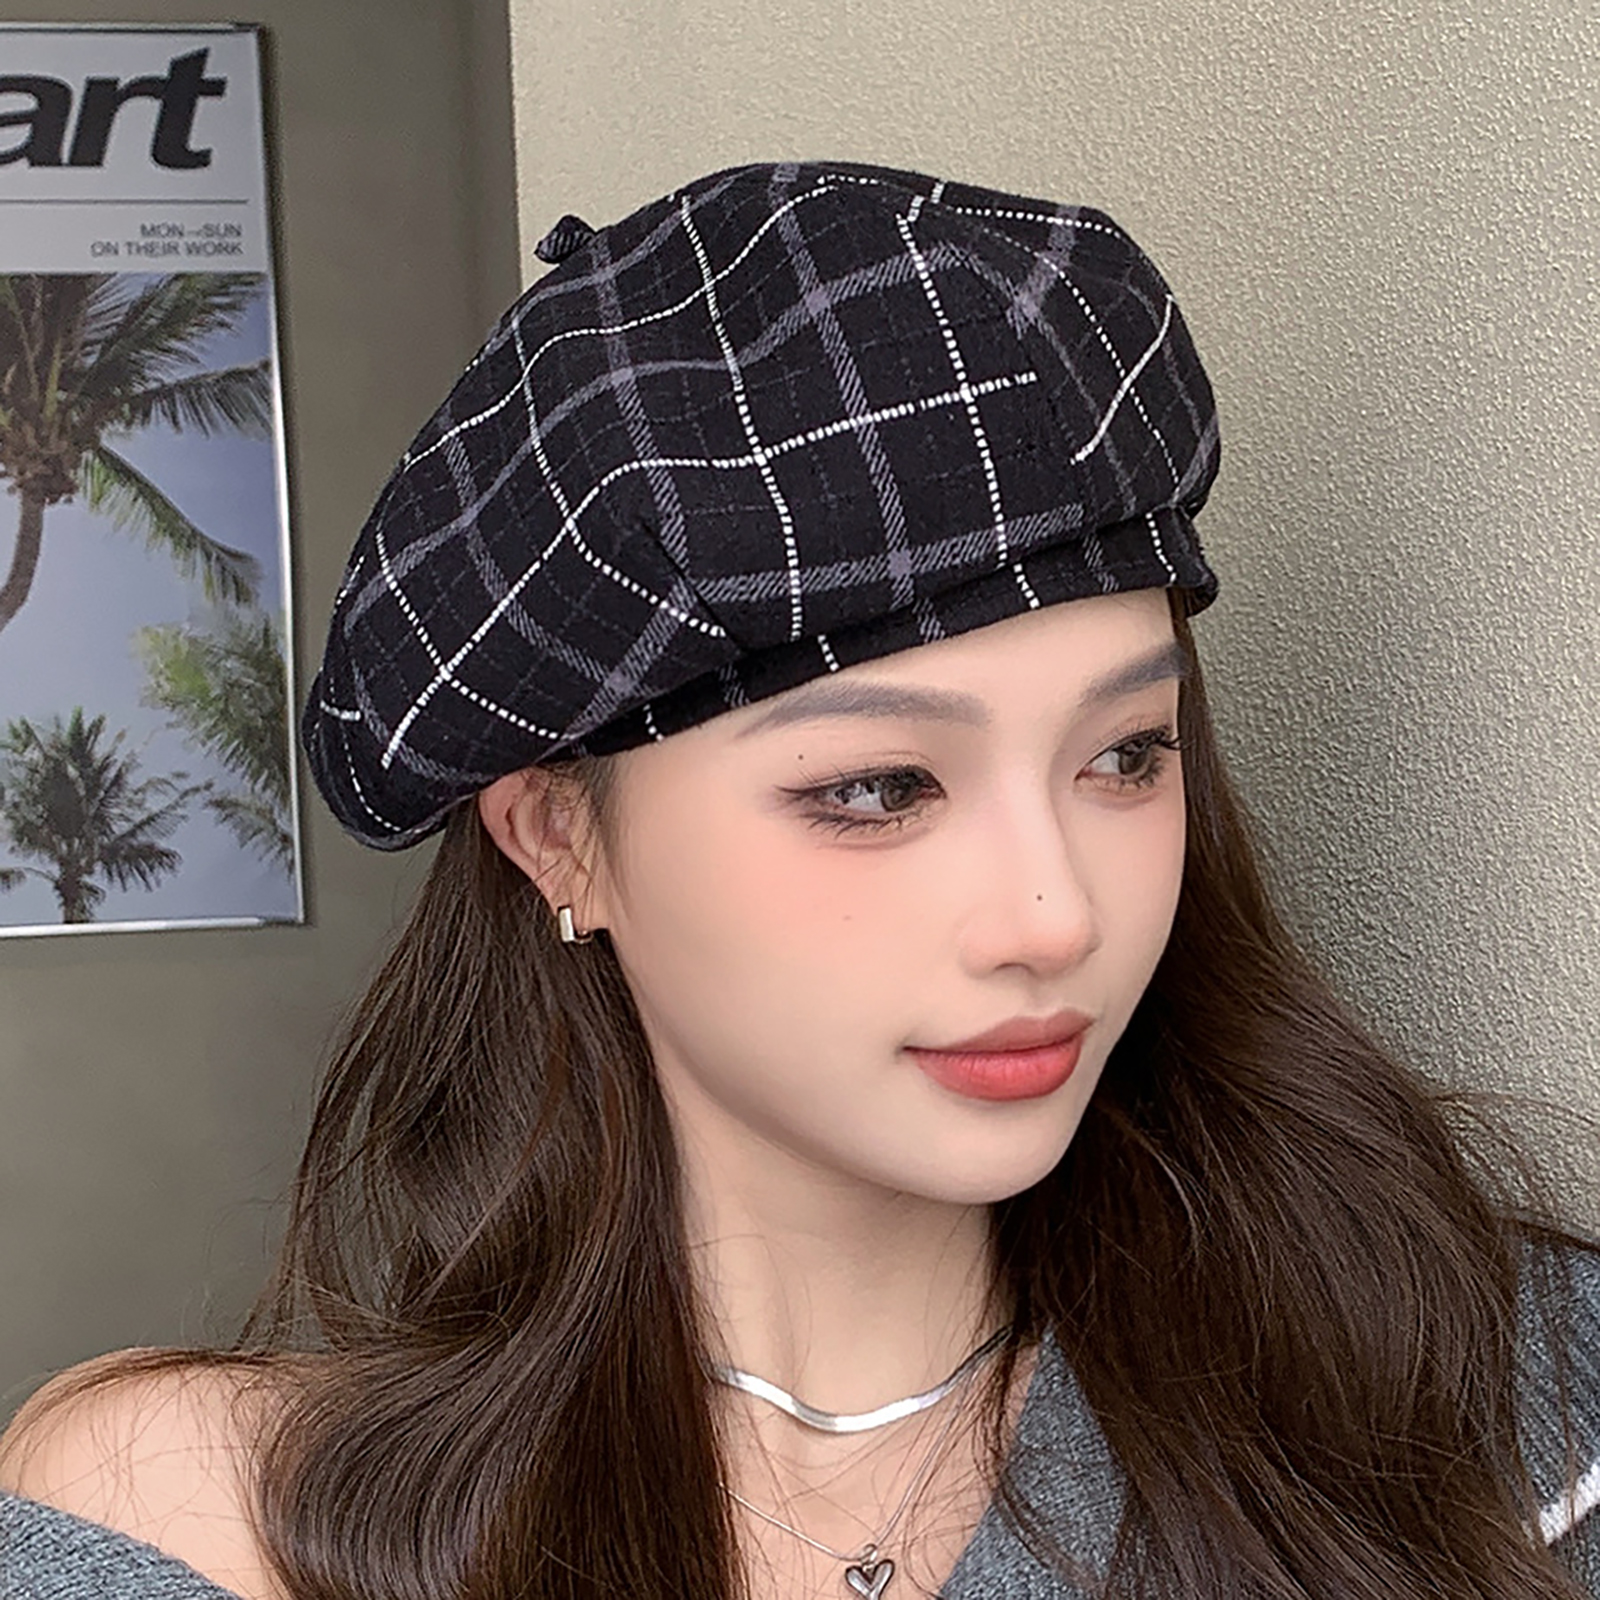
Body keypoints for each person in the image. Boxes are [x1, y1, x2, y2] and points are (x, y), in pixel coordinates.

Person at [2, 159, 1597, 1600]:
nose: (1057, 916)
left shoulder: (1482, 1404)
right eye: (878, 788)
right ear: (558, 838)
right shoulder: (207, 1517)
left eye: (1125, 756)